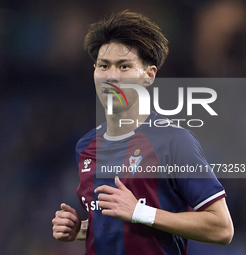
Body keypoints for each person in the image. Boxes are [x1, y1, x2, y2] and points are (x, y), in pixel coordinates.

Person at [52, 10, 233, 254]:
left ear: (149, 75)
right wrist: (80, 230)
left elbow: (222, 228)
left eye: (124, 66)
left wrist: (140, 211)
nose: (112, 77)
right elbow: (117, 223)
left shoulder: (174, 141)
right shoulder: (86, 146)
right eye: (104, 66)